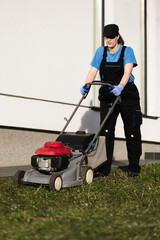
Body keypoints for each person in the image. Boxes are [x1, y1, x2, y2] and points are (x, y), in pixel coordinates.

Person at [80, 24, 142, 177]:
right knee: (106, 131)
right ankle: (104, 168)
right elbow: (93, 70)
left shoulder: (127, 51)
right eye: (106, 37)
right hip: (107, 94)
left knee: (132, 130)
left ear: (117, 36)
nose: (108, 40)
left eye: (111, 37)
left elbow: (128, 71)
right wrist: (86, 85)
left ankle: (134, 167)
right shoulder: (101, 51)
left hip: (127, 94)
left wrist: (121, 86)